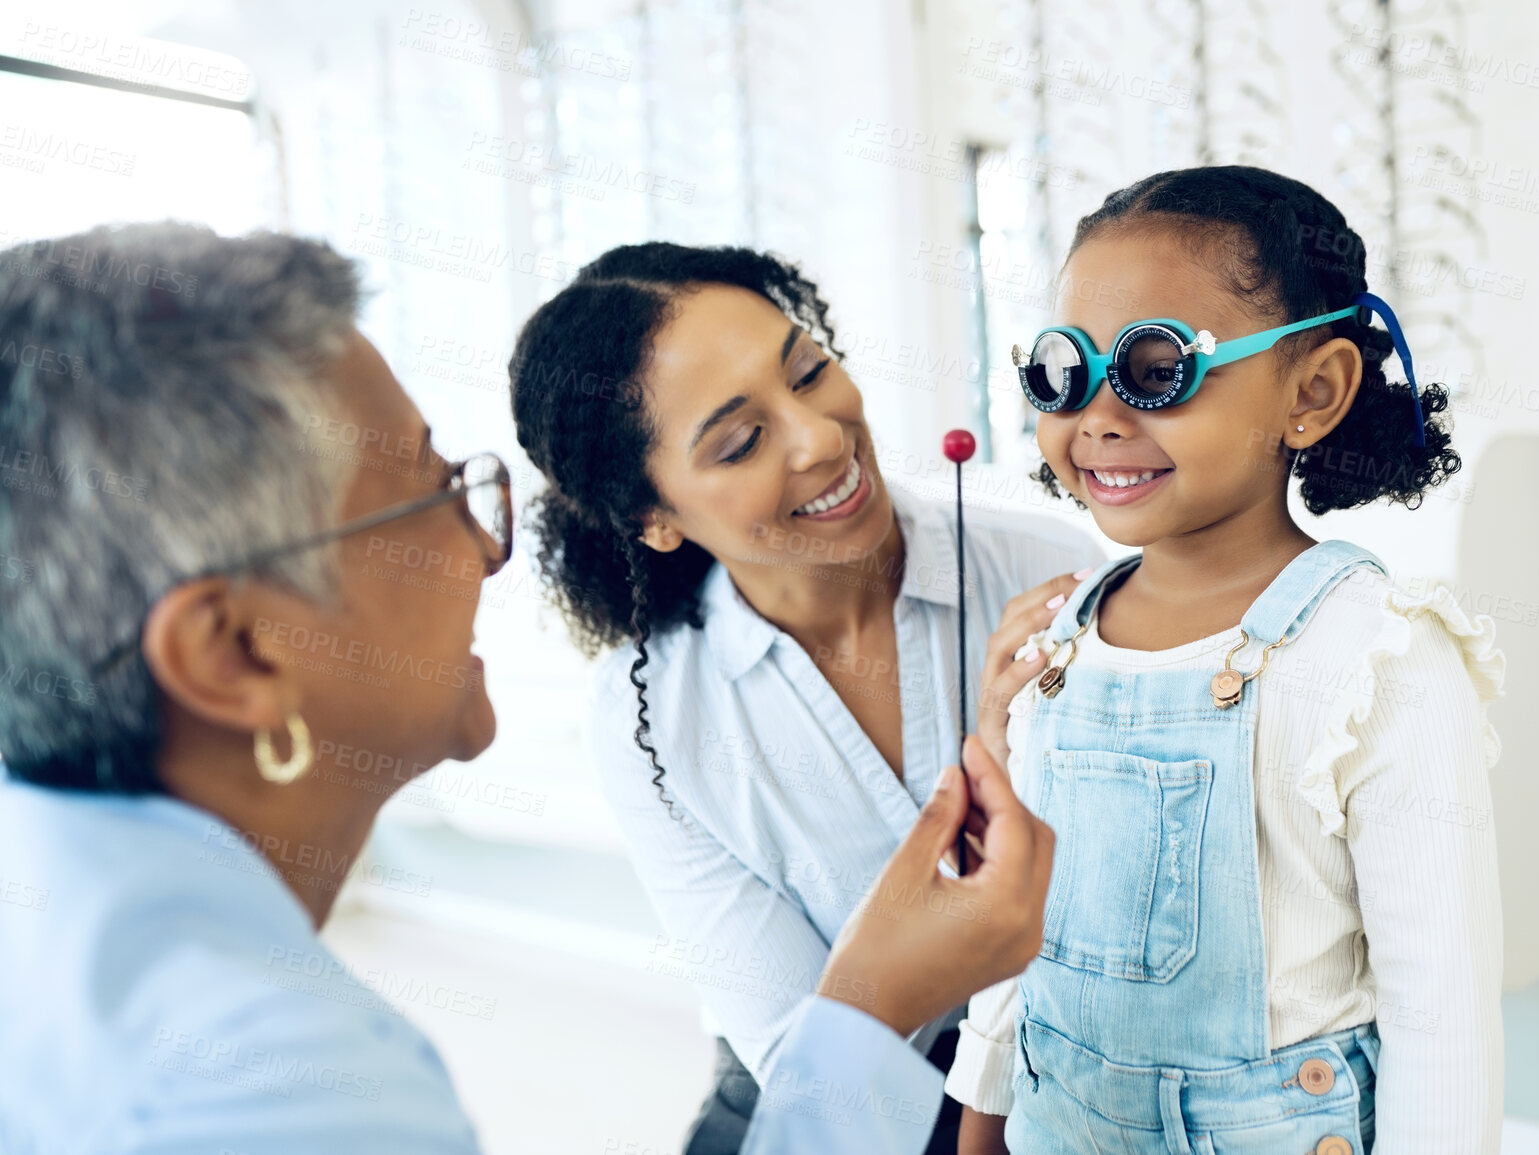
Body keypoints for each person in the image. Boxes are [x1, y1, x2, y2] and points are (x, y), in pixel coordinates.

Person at [0, 223, 1054, 1155]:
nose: (483, 547)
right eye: (427, 492)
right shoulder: (266, 1092)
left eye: (811, 372)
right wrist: (879, 1002)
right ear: (235, 655)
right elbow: (793, 1063)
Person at [949, 167, 1508, 1154]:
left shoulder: (1379, 657)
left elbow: (1444, 1013)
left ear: (1313, 391)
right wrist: (979, 1119)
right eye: (1061, 370)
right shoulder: (1054, 642)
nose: (1101, 416)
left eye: (1156, 369)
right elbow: (1013, 929)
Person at [507, 242, 1104, 1154]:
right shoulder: (651, 724)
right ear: (653, 518)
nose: (822, 436)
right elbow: (807, 1081)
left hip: (1065, 1080)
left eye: (811, 371)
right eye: (741, 441)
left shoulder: (1047, 576)